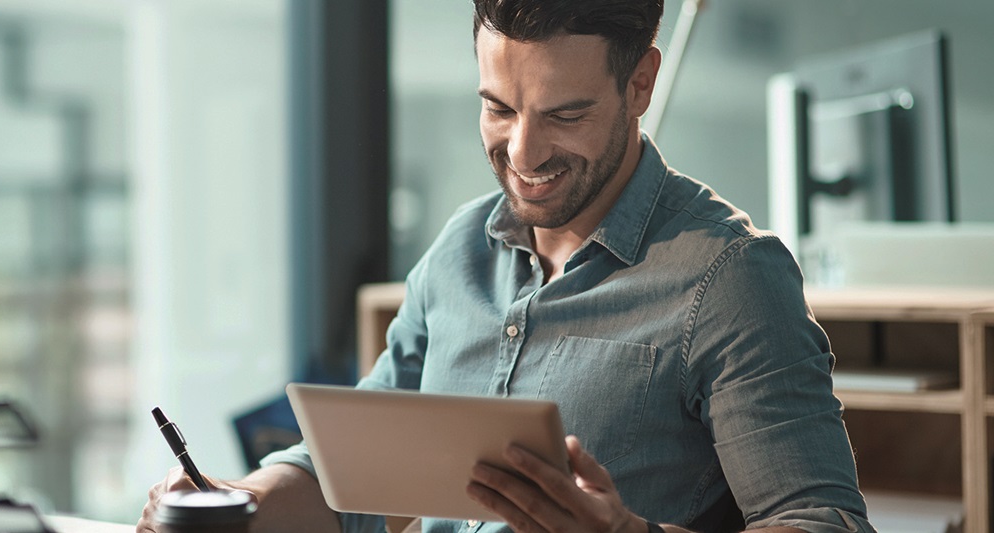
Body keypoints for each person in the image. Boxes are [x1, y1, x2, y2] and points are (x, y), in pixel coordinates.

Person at [138, 0, 876, 531]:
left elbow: (822, 518)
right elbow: (348, 474)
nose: (522, 156)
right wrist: (235, 502)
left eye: (565, 115)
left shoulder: (732, 278)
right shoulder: (458, 250)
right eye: (498, 108)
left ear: (641, 85)